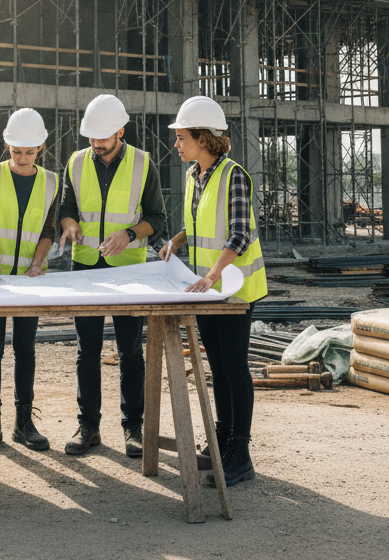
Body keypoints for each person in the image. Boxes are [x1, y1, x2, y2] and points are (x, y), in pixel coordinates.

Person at [160, 96, 267, 487]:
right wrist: (178, 239)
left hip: (235, 290)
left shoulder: (233, 175)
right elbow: (203, 226)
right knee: (217, 368)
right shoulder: (194, 176)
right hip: (209, 291)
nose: (177, 144)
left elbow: (239, 233)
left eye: (182, 136)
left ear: (203, 139)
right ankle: (222, 441)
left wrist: (212, 274)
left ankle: (241, 453)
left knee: (235, 369)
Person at [58, 93, 166, 457]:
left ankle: (133, 427)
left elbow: (158, 217)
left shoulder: (142, 163)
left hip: (128, 271)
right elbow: (66, 208)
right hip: (84, 268)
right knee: (86, 352)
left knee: (131, 352)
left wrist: (130, 234)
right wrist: (69, 224)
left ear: (121, 131)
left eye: (103, 138)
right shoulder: (75, 162)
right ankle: (88, 426)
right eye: (91, 138)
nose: (96, 144)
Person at [0, 108, 60, 454]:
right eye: (16, 151)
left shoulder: (51, 181)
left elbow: (49, 229)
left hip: (29, 280)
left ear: (41, 147)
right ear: (7, 145)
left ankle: (24, 423)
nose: (23, 158)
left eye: (30, 151)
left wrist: (38, 262)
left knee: (25, 349)